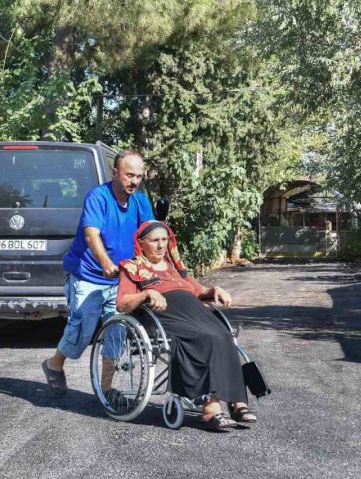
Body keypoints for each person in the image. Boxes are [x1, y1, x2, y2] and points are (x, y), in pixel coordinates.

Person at [116, 220, 257, 431]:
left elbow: (198, 290)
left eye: (165, 240)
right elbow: (122, 303)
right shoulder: (132, 267)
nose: (161, 245)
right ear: (141, 243)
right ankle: (210, 409)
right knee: (206, 337)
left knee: (224, 335)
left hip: (195, 312)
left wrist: (214, 290)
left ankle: (237, 403)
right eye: (155, 240)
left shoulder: (175, 268)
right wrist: (147, 293)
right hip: (165, 316)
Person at [41, 150, 153, 396]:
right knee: (81, 330)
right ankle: (54, 365)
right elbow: (92, 234)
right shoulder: (98, 197)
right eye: (129, 175)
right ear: (115, 173)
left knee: (117, 331)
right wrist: (105, 261)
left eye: (139, 176)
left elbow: (149, 236)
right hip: (88, 275)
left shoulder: (141, 202)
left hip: (121, 279)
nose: (134, 181)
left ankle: (106, 389)